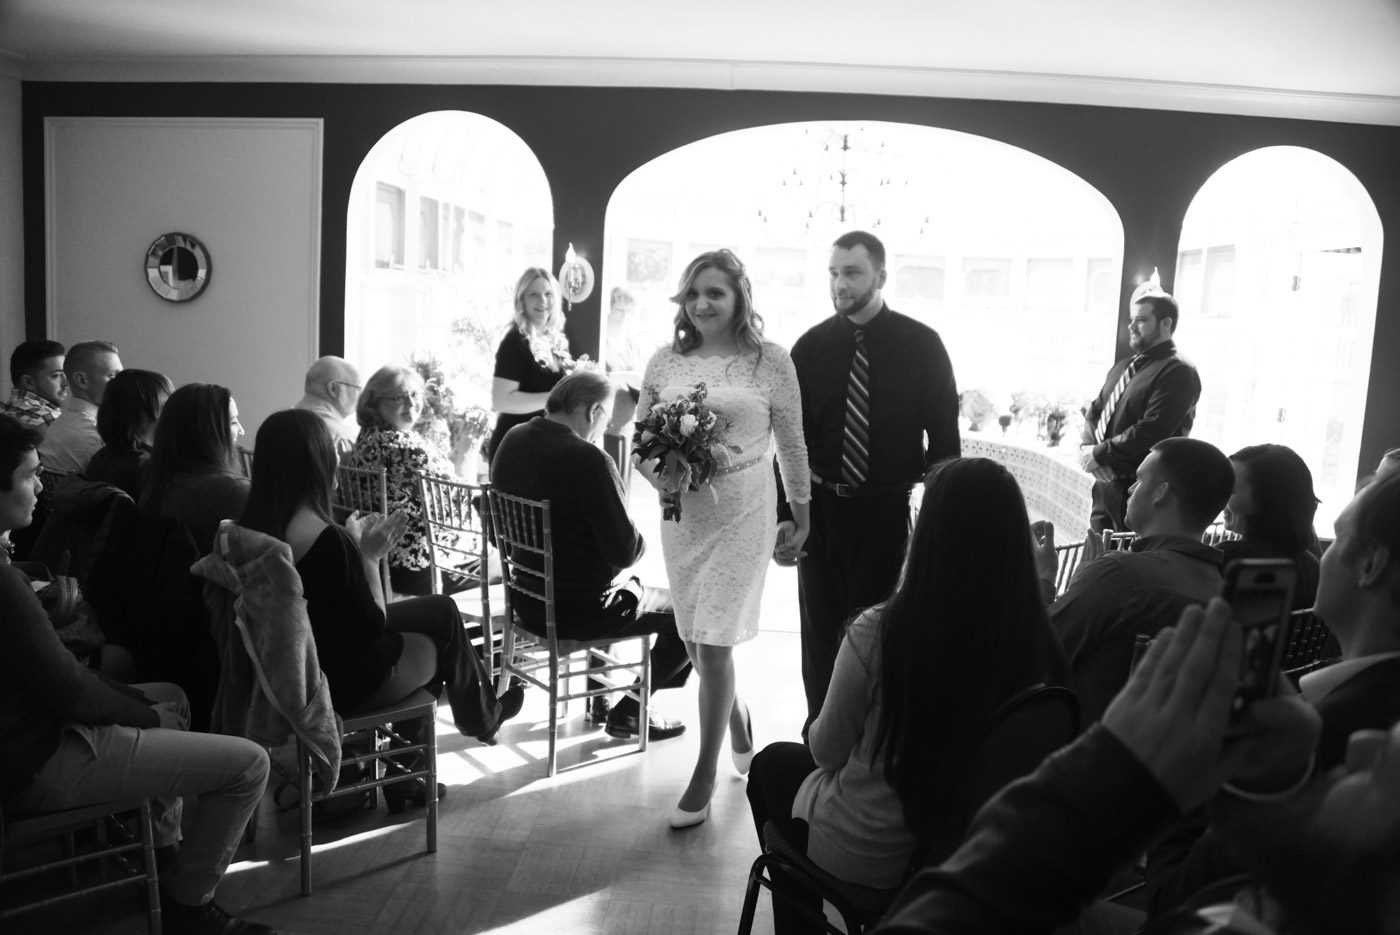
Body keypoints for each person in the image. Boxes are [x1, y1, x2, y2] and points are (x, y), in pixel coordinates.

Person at [866, 594, 1400, 935]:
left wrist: (1112, 781)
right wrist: (1262, 784)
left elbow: (1169, 894)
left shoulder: (1118, 578)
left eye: (1389, 770)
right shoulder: (1320, 898)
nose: (1364, 744)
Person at [746, 458, 1067, 933]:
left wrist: (822, 723)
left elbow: (826, 751)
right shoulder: (1034, 639)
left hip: (876, 856)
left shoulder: (880, 632)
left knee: (770, 766)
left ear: (927, 534)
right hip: (962, 860)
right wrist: (1044, 587)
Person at [0, 414, 276, 935]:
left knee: (171, 693)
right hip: (33, 758)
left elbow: (58, 677)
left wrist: (142, 705)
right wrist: (143, 715)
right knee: (249, 765)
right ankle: (188, 906)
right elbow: (67, 688)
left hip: (28, 733)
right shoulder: (4, 587)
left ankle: (164, 856)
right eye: (29, 475)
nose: (41, 486)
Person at [1144, 469, 1400, 917]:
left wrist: (1186, 775)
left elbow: (1170, 900)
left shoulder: (1337, 734)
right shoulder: (1343, 699)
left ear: (1370, 564)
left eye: (1337, 539)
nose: (1322, 552)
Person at [239, 410, 521, 805]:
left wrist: (352, 551)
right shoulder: (323, 538)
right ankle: (410, 776)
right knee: (437, 646)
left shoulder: (253, 525)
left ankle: (482, 717)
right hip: (334, 680)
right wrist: (367, 556)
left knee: (442, 609)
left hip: (290, 665)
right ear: (317, 462)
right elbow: (373, 626)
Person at [638, 248, 811, 828]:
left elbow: (791, 445)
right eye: (693, 293)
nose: (702, 303)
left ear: (740, 297)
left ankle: (704, 775)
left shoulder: (771, 362)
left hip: (745, 512)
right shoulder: (665, 361)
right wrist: (663, 475)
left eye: (714, 292)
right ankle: (734, 717)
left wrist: (801, 512)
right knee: (696, 641)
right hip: (683, 516)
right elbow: (641, 439)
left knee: (712, 646)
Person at [781, 230, 960, 730]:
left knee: (874, 637)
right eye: (834, 273)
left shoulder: (922, 346)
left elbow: (945, 445)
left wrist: (941, 527)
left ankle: (867, 747)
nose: (839, 283)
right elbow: (791, 444)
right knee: (818, 638)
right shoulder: (809, 349)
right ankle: (818, 741)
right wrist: (785, 517)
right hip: (821, 513)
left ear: (881, 276)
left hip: (886, 513)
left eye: (852, 272)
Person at [490, 369, 691, 740]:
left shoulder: (512, 440)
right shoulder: (588, 460)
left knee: (615, 581)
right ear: (595, 411)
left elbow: (495, 533)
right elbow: (625, 550)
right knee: (689, 613)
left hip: (526, 600)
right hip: (581, 612)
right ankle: (632, 706)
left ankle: (599, 700)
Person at [1037, 436, 1233, 725]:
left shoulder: (1120, 575)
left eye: (1139, 480)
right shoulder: (1222, 590)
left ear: (1161, 493)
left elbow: (1035, 654)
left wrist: (1045, 581)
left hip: (1077, 749)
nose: (1129, 488)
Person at [1080, 288, 1202, 532]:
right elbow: (1094, 412)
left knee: (1127, 564)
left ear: (1166, 324)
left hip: (1141, 490)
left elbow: (1151, 431)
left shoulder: (1178, 371)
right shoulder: (1124, 366)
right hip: (1105, 486)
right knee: (1097, 559)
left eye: (1142, 320)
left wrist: (1100, 454)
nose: (1132, 326)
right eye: (1131, 320)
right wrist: (1088, 450)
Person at [345, 365, 460, 596]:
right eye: (399, 397)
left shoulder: (367, 438)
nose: (410, 403)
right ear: (373, 402)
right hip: (420, 569)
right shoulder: (404, 446)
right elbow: (457, 495)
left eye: (415, 394)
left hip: (385, 563)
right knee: (507, 564)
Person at [140, 382, 249, 555]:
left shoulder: (155, 481)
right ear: (210, 432)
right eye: (234, 422)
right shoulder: (233, 491)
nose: (242, 431)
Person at [488, 267, 576, 464]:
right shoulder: (515, 341)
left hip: (542, 443)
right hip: (514, 447)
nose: (543, 301)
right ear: (522, 301)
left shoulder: (555, 341)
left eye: (548, 294)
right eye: (533, 295)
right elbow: (501, 400)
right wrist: (557, 398)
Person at [1221, 443, 1322, 608]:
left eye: (1229, 490)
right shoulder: (1312, 567)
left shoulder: (1227, 560)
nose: (1221, 496)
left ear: (1265, 501)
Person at [83, 368, 174, 499]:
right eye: (166, 407)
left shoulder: (102, 456)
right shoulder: (147, 467)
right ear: (136, 416)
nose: (174, 412)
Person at [38, 339, 123, 474]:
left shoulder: (58, 423)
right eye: (112, 376)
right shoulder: (94, 434)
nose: (121, 384)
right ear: (82, 380)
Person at [293, 355, 361, 458]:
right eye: (357, 388)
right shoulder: (343, 439)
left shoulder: (279, 424)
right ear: (333, 389)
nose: (360, 395)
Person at [2, 339, 66, 429]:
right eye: (55, 376)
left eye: (65, 373)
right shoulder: (50, 420)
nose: (66, 383)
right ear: (28, 382)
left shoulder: (4, 413)